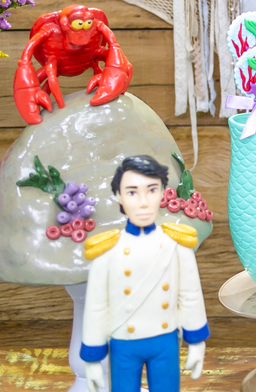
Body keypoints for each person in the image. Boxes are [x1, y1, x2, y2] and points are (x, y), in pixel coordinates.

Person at [81, 155, 209, 392]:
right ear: (118, 196)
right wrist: (93, 358)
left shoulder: (176, 243)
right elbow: (97, 306)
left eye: (151, 190)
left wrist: (196, 341)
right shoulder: (107, 250)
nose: (143, 202)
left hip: (165, 340)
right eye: (132, 192)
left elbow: (189, 295)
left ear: (162, 192)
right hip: (123, 343)